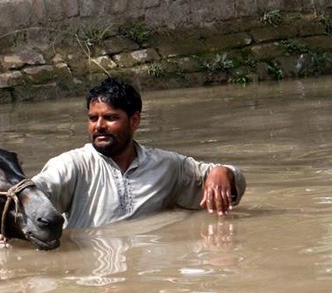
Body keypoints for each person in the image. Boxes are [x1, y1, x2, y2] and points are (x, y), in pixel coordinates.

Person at [32, 77, 246, 229]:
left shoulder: (165, 165)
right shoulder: (73, 165)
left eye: (110, 118)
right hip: (94, 278)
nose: (98, 126)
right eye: (92, 118)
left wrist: (222, 171)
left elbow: (231, 180)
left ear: (134, 121)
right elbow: (29, 197)